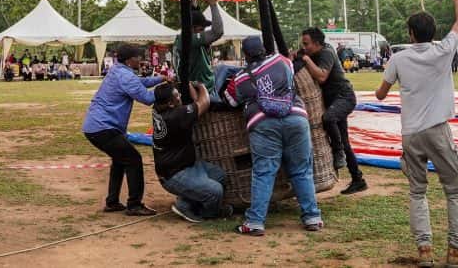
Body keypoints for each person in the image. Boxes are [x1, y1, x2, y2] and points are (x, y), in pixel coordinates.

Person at [375, 0, 458, 268]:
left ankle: (424, 252)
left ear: (410, 34)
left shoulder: (399, 58)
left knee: (417, 192)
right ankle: (455, 252)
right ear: (432, 32)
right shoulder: (443, 50)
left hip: (411, 134)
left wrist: (396, 81)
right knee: (454, 189)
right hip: (438, 132)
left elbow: (379, 94)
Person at [225, 36, 322, 236]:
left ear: (245, 55)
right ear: (263, 49)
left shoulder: (240, 78)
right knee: (302, 170)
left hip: (263, 123)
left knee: (264, 172)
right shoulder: (281, 61)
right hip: (295, 118)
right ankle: (312, 217)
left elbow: (231, 101)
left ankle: (255, 222)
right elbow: (292, 70)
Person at [82, 45, 164, 216]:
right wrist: (167, 91)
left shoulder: (119, 71)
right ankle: (134, 205)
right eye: (138, 57)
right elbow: (147, 98)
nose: (140, 60)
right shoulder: (126, 76)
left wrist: (160, 79)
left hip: (97, 126)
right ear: (129, 60)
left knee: (120, 160)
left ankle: (112, 202)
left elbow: (140, 83)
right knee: (133, 159)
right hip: (104, 128)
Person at [296, 28, 367, 194]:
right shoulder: (313, 52)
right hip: (333, 100)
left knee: (328, 119)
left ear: (317, 43)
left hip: (344, 97)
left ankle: (338, 151)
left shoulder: (327, 52)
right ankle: (358, 179)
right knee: (345, 140)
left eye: (306, 44)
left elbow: (321, 76)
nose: (304, 47)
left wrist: (305, 59)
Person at [152, 80, 231, 223]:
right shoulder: (176, 116)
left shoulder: (157, 109)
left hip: (186, 165)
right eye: (177, 96)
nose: (180, 96)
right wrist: (200, 86)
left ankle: (185, 203)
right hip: (174, 174)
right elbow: (204, 102)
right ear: (170, 103)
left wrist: (185, 83)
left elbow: (194, 102)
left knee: (220, 176)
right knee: (215, 191)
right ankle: (208, 214)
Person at [171, 0, 223, 92]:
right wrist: (212, 3)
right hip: (203, 91)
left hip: (201, 85)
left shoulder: (183, 39)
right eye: (201, 29)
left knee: (224, 68)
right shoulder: (189, 39)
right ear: (192, 28)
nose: (203, 32)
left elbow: (191, 15)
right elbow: (217, 32)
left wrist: (193, 2)